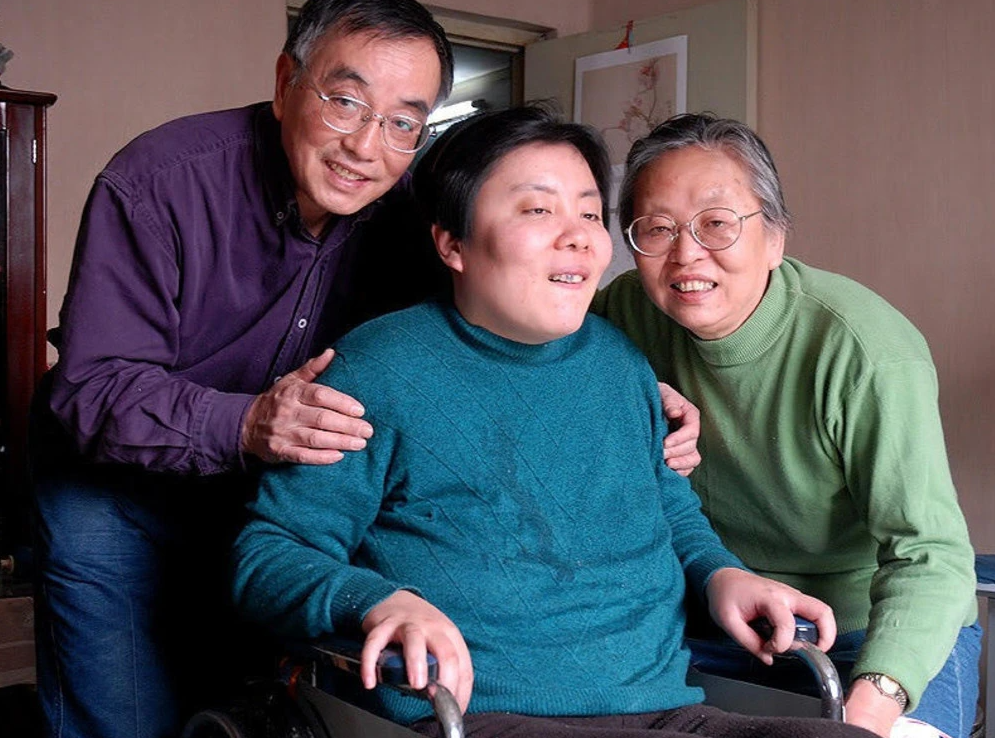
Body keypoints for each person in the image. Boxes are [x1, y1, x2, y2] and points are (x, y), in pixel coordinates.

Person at [232, 105, 877, 738]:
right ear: (452, 243)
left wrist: (721, 574)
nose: (577, 236)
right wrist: (378, 601)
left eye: (590, 213)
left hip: (666, 710)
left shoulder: (621, 363)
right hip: (483, 717)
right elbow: (269, 554)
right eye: (538, 210)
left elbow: (669, 514)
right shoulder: (377, 371)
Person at [30, 2, 455, 737]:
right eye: (345, 102)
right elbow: (92, 390)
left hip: (270, 511)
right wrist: (250, 421)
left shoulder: (411, 216)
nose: (366, 146)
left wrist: (632, 394)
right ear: (286, 82)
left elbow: (479, 325)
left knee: (244, 711)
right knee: (124, 716)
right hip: (114, 495)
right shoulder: (160, 179)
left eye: (401, 122)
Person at [592, 113, 979, 738]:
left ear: (775, 238)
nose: (686, 253)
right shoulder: (622, 313)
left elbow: (929, 554)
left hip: (864, 633)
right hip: (709, 618)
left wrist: (868, 710)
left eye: (717, 223)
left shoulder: (863, 350)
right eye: (657, 229)